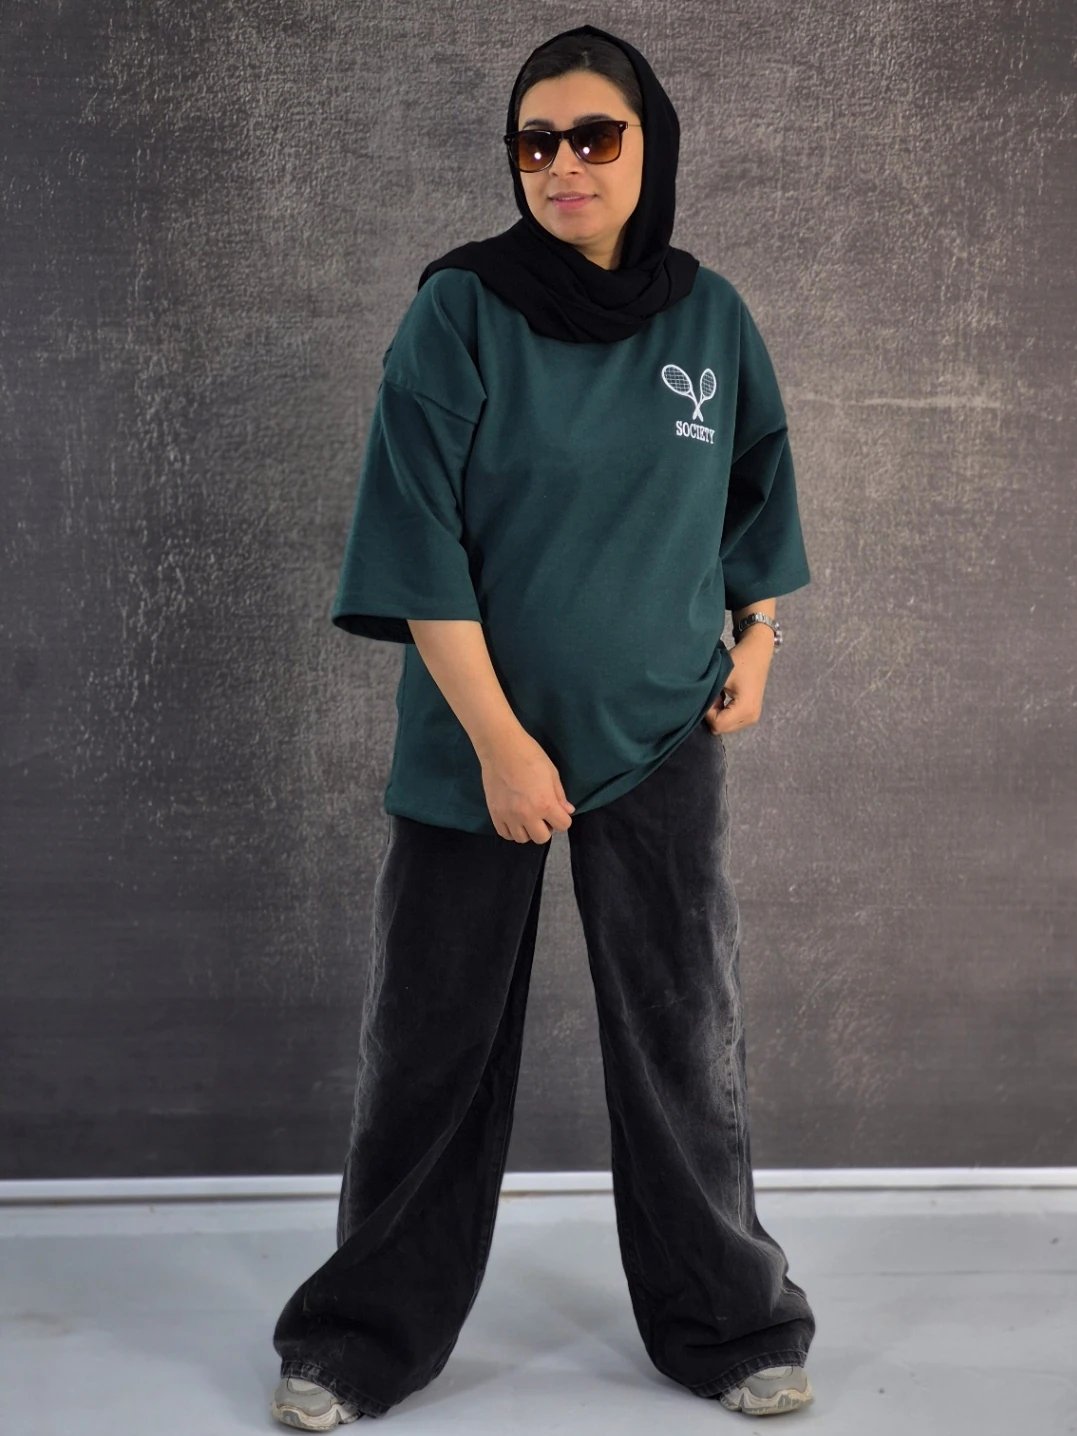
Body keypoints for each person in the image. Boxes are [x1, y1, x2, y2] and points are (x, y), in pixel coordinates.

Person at [270, 23, 817, 1429]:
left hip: (659, 735)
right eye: (535, 141)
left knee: (684, 1040)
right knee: (431, 1048)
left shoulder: (710, 319)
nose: (562, 164)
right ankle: (358, 1341)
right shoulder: (458, 311)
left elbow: (755, 496)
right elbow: (415, 541)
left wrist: (758, 641)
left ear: (650, 147)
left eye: (593, 136)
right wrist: (504, 746)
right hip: (479, 746)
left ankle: (729, 1324)